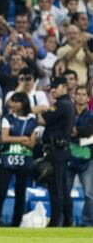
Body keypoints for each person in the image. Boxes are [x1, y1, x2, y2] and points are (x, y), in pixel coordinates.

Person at [0, 92, 38, 226]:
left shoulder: (33, 120)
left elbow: (32, 143)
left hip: (24, 160)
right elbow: (3, 138)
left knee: (20, 193)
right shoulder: (7, 118)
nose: (12, 104)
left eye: (15, 101)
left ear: (23, 103)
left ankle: (16, 222)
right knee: (1, 192)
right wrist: (23, 138)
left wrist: (14, 139)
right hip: (8, 159)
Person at [38, 76, 75, 227]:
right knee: (63, 188)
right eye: (51, 87)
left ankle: (55, 222)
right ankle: (67, 220)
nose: (53, 90)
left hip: (56, 150)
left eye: (56, 87)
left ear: (64, 87)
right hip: (61, 149)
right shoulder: (67, 104)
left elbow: (42, 120)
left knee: (56, 188)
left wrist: (40, 110)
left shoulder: (61, 104)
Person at [63, 86, 93, 226]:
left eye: (83, 94)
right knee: (64, 192)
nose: (80, 97)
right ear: (73, 96)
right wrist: (81, 131)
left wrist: (77, 131)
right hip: (68, 158)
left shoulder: (91, 116)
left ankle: (87, 223)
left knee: (89, 194)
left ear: (88, 98)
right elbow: (65, 130)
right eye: (78, 94)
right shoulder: (68, 113)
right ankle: (66, 221)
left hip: (86, 158)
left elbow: (89, 130)